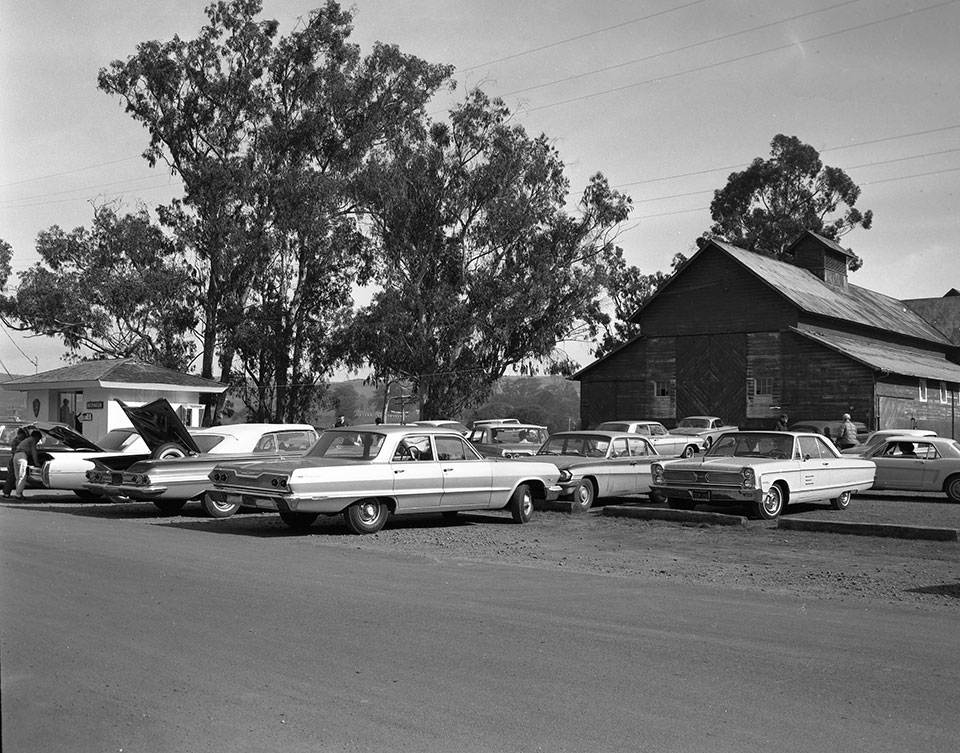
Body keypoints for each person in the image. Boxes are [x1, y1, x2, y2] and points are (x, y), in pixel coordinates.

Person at [12, 429, 43, 499]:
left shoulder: (26, 440)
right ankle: (18, 495)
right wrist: (36, 463)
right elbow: (34, 451)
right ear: (36, 437)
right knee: (22, 476)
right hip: (22, 456)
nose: (38, 442)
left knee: (18, 477)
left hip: (16, 455)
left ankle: (19, 493)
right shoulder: (32, 440)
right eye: (38, 439)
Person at [2, 428, 28, 498]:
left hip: (13, 458)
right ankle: (15, 493)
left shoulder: (16, 439)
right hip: (17, 458)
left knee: (12, 476)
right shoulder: (20, 440)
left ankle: (6, 493)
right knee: (17, 476)